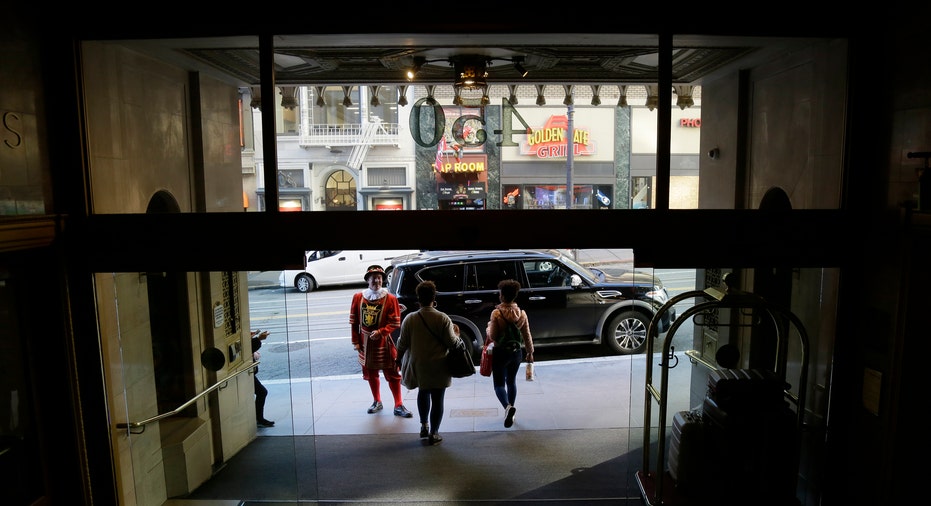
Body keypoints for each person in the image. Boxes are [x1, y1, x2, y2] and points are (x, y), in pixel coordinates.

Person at [395, 280, 464, 445]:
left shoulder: (410, 319)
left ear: (418, 299)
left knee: (423, 392)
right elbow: (452, 343)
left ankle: (423, 425)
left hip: (418, 365)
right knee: (438, 399)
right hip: (439, 365)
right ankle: (434, 433)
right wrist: (457, 336)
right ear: (434, 298)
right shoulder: (443, 318)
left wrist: (398, 360)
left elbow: (402, 343)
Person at [349, 264, 413, 418]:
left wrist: (381, 332)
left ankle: (398, 404)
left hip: (384, 342)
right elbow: (354, 322)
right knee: (371, 373)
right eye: (373, 278)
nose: (376, 281)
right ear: (367, 280)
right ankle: (377, 401)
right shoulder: (358, 297)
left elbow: (395, 322)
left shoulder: (390, 299)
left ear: (382, 280)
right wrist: (356, 342)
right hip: (365, 342)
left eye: (379, 278)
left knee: (392, 372)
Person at [484, 279, 534, 428]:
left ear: (502, 296)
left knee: (499, 384)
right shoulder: (522, 314)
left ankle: (508, 407)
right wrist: (530, 352)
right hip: (516, 352)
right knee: (511, 381)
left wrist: (488, 327)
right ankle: (511, 412)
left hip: (501, 353)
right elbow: (527, 335)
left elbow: (492, 335)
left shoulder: (497, 313)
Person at [251, 329, 275, 427]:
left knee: (261, 392)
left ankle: (258, 417)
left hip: (249, 373)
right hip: (246, 373)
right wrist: (259, 338)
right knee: (262, 392)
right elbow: (248, 347)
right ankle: (259, 418)